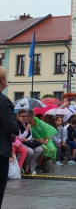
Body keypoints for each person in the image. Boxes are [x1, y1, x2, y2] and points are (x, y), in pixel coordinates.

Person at [0, 67, 19, 207]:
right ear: (2, 80)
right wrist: (16, 121)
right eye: (6, 78)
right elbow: (11, 128)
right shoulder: (3, 101)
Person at [16, 109, 43, 173]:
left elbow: (30, 135)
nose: (25, 118)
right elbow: (20, 138)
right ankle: (23, 164)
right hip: (19, 142)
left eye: (26, 116)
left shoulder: (27, 123)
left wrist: (27, 139)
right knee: (30, 151)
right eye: (23, 116)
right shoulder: (16, 125)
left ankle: (28, 164)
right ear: (18, 117)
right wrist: (27, 130)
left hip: (27, 141)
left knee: (39, 149)